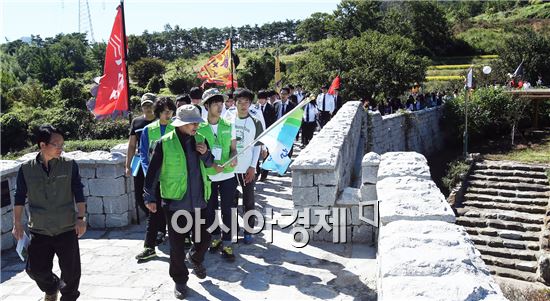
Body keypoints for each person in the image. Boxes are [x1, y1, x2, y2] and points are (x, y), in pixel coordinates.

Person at [143, 105, 214, 299]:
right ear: (181, 124)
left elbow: (210, 164)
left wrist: (205, 153)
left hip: (199, 200)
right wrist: (149, 196)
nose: (196, 126)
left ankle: (196, 257)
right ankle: (180, 281)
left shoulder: (201, 139)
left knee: (206, 237)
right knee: (176, 246)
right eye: (192, 123)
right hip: (175, 203)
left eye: (197, 122)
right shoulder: (163, 143)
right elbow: (152, 173)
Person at [13, 125, 86, 301]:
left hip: (66, 227)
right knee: (34, 269)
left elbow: (79, 192)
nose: (60, 147)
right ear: (42, 145)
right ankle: (52, 287)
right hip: (40, 228)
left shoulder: (69, 165)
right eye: (56, 144)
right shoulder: (26, 169)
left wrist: (81, 218)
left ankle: (67, 297)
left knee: (71, 273)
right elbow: (19, 197)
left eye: (62, 143)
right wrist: (17, 223)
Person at [196, 89, 239, 261]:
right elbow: (199, 152)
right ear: (207, 105)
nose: (220, 106)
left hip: (228, 175)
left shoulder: (229, 125)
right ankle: (215, 238)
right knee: (211, 210)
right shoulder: (199, 129)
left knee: (228, 210)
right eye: (215, 103)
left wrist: (233, 158)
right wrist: (214, 165)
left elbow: (234, 148)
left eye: (221, 103)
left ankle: (227, 242)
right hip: (209, 176)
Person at [135, 96, 176, 263]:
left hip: (173, 177)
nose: (168, 114)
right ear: (158, 112)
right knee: (154, 211)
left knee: (177, 210)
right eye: (165, 111)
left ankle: (184, 239)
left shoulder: (177, 128)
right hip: (155, 179)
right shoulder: (148, 130)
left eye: (171, 111)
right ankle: (149, 247)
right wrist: (149, 173)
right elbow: (143, 154)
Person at [231, 88, 264, 244]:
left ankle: (249, 230)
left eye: (246, 102)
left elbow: (257, 146)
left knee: (249, 200)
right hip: (230, 169)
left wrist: (253, 167)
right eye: (240, 102)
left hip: (247, 168)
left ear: (250, 103)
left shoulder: (255, 122)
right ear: (234, 103)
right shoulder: (228, 119)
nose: (243, 105)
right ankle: (232, 228)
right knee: (229, 201)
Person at [125, 93, 157, 222]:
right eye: (145, 105)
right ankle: (153, 219)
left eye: (150, 105)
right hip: (140, 163)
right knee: (139, 195)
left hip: (158, 163)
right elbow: (132, 145)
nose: (148, 108)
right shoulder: (136, 122)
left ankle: (158, 223)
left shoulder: (161, 120)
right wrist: (128, 165)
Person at [255, 89, 277, 181]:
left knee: (266, 154)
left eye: (263, 99)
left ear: (266, 99)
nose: (261, 101)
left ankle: (264, 173)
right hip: (257, 134)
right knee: (255, 153)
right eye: (259, 99)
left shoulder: (271, 108)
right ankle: (257, 171)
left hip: (268, 133)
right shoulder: (254, 108)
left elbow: (273, 121)